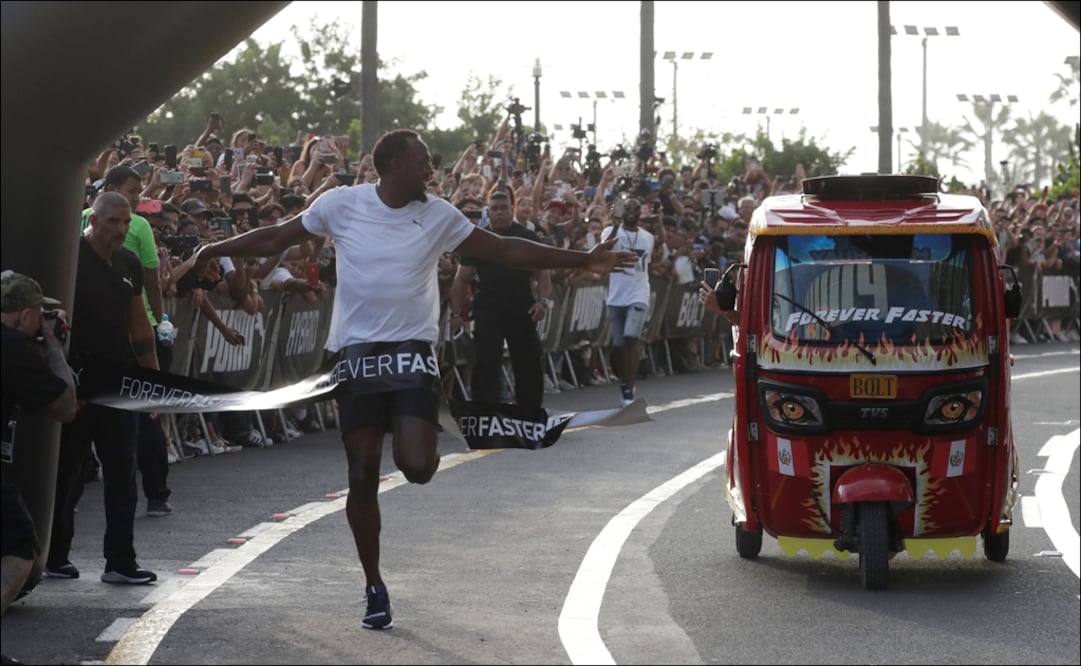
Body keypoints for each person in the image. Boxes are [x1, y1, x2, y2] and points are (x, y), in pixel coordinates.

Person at [192, 128, 635, 631]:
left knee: (418, 465)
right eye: (423, 162)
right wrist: (213, 251)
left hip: (412, 355)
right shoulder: (341, 204)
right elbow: (277, 237)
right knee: (360, 474)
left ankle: (411, 442)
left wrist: (584, 260)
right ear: (394, 165)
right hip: (356, 355)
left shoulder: (438, 214)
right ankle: (374, 586)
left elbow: (506, 250)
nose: (432, 171)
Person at [47, 192, 160, 586]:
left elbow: (140, 326)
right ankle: (55, 554)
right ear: (92, 221)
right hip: (77, 380)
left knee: (122, 472)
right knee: (67, 472)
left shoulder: (129, 262)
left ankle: (120, 561)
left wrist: (153, 381)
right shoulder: (70, 258)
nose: (121, 229)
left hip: (119, 382)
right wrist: (61, 380)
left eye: (126, 222)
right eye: (112, 221)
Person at [1, 272, 78, 665]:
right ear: (25, 314)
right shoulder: (12, 346)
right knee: (18, 547)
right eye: (39, 315)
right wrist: (52, 342)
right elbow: (65, 407)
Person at [450, 187, 552, 411]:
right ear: (488, 211)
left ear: (512, 210)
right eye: (494, 209)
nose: (499, 213)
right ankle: (485, 415)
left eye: (504, 208)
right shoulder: (478, 240)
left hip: (521, 307)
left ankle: (530, 413)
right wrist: (456, 314)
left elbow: (542, 272)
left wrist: (543, 301)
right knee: (486, 362)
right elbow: (461, 279)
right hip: (488, 308)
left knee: (528, 361)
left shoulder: (526, 237)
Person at [604, 196, 654, 406]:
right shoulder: (610, 232)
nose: (632, 211)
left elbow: (645, 264)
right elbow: (603, 250)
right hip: (616, 296)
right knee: (618, 345)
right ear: (622, 211)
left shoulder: (648, 237)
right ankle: (624, 382)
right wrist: (615, 227)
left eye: (635, 208)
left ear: (640, 212)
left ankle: (629, 391)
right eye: (628, 207)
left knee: (631, 338)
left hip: (638, 293)